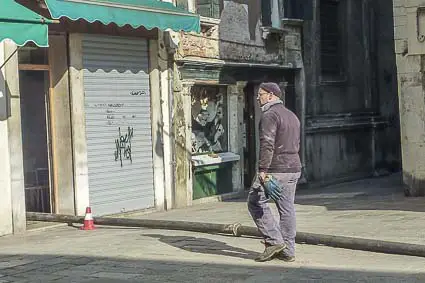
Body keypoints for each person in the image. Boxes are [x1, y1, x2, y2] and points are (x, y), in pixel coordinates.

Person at [247, 82, 302, 262]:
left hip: (275, 169)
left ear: (271, 95)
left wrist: (263, 169)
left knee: (255, 201)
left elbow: (267, 144)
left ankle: (274, 241)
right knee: (287, 209)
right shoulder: (292, 116)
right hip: (293, 168)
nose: (257, 98)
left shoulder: (270, 115)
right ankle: (288, 251)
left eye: (260, 94)